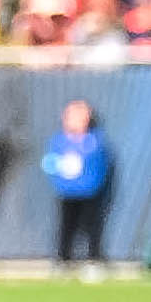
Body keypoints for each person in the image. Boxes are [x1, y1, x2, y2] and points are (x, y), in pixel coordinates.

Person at [43, 97, 116, 273]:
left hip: (89, 192)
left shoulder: (94, 141)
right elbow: (50, 163)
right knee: (66, 227)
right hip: (67, 192)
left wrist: (93, 184)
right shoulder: (59, 141)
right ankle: (63, 260)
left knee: (92, 227)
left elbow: (99, 165)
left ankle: (93, 260)